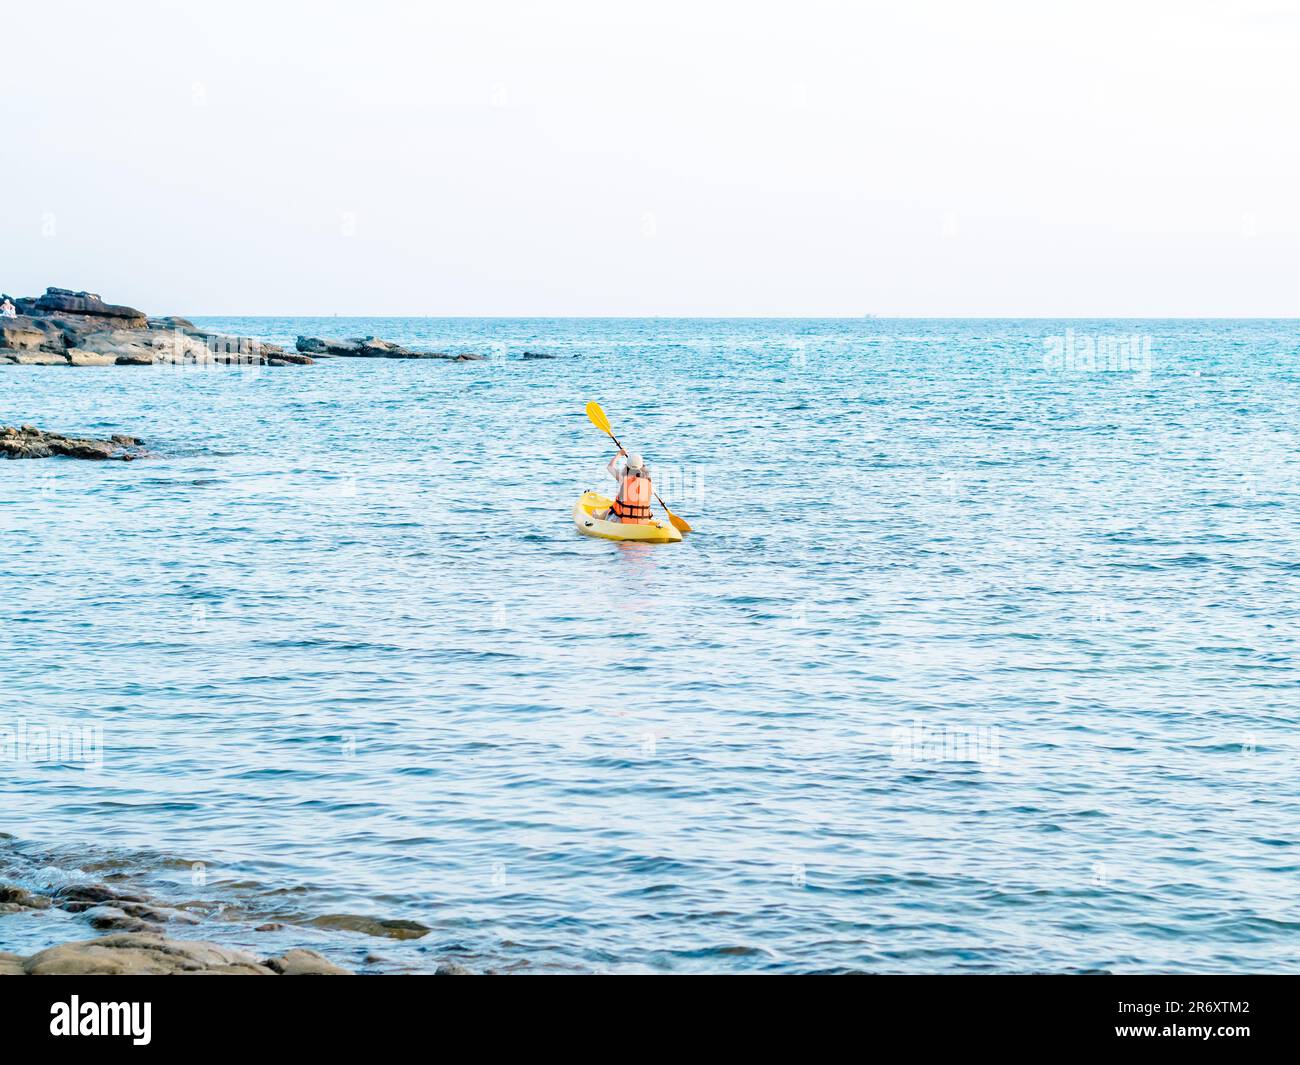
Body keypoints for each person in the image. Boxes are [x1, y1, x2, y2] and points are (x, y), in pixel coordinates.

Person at [605, 447, 654, 524]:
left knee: (608, 511)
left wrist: (619, 454)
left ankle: (597, 516)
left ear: (627, 466)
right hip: (643, 520)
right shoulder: (648, 482)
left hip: (623, 520)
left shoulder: (623, 479)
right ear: (641, 466)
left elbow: (610, 466)